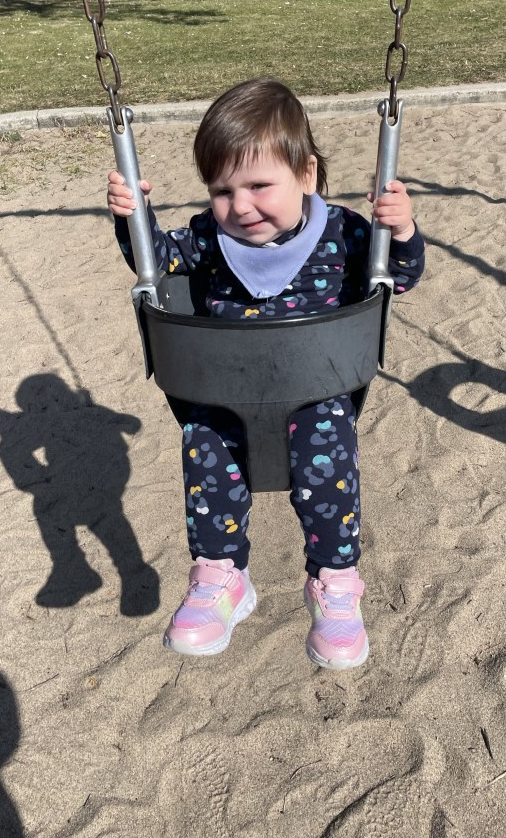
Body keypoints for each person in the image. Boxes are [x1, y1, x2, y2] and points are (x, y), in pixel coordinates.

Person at [108, 78, 424, 670]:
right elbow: (159, 260)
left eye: (258, 186)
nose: (241, 206)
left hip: (316, 390)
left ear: (306, 174)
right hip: (223, 391)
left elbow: (397, 278)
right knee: (204, 446)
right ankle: (221, 576)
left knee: (328, 458)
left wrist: (402, 231)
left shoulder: (347, 232)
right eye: (222, 191)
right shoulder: (210, 236)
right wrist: (133, 217)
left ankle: (335, 582)